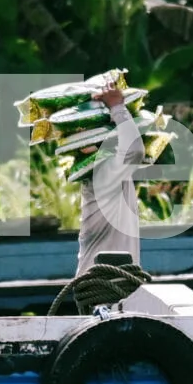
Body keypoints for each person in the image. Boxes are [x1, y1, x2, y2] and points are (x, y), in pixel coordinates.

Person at [75, 82, 144, 276]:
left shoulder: (107, 172)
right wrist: (117, 107)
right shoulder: (102, 173)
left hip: (108, 286)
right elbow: (135, 150)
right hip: (103, 290)